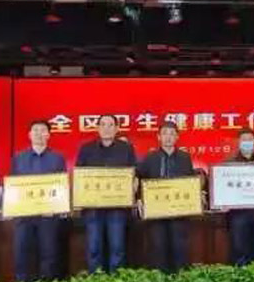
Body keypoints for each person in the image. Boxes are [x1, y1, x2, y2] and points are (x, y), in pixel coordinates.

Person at [75, 115, 137, 273]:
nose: (107, 128)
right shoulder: (86, 149)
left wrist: (134, 184)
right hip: (93, 209)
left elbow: (134, 173)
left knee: (117, 248)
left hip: (118, 208)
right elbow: (79, 177)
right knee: (94, 248)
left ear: (117, 128)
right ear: (98, 128)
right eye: (103, 124)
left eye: (110, 125)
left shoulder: (126, 149)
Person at [10, 120, 67, 282]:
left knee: (49, 253)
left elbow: (61, 184)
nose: (39, 133)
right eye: (35, 130)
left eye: (43, 130)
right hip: (24, 215)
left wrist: (59, 206)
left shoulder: (57, 158)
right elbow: (13, 184)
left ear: (48, 135)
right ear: (29, 135)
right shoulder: (19, 157)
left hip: (48, 215)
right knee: (22, 252)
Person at [137, 121, 195, 273]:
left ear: (177, 137)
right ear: (158, 137)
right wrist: (139, 199)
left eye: (172, 134)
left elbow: (191, 181)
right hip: (157, 212)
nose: (168, 137)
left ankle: (180, 279)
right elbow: (140, 179)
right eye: (164, 134)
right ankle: (160, 280)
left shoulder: (185, 158)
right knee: (158, 246)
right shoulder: (150, 158)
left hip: (179, 211)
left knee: (179, 246)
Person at [226, 129, 254, 266]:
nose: (247, 142)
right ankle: (240, 277)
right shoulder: (229, 164)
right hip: (238, 213)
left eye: (250, 140)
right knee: (239, 249)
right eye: (244, 140)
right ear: (238, 142)